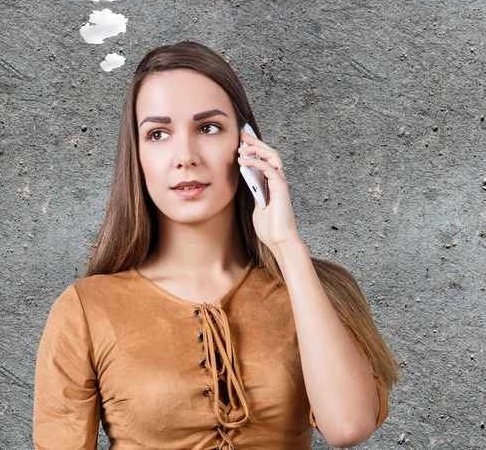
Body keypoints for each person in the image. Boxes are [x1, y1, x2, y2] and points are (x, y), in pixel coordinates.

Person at [33, 41, 400, 450]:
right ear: (136, 156)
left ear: (247, 146)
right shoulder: (86, 308)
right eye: (157, 134)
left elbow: (348, 427)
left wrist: (287, 246)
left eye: (208, 128)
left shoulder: (313, 290)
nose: (185, 156)